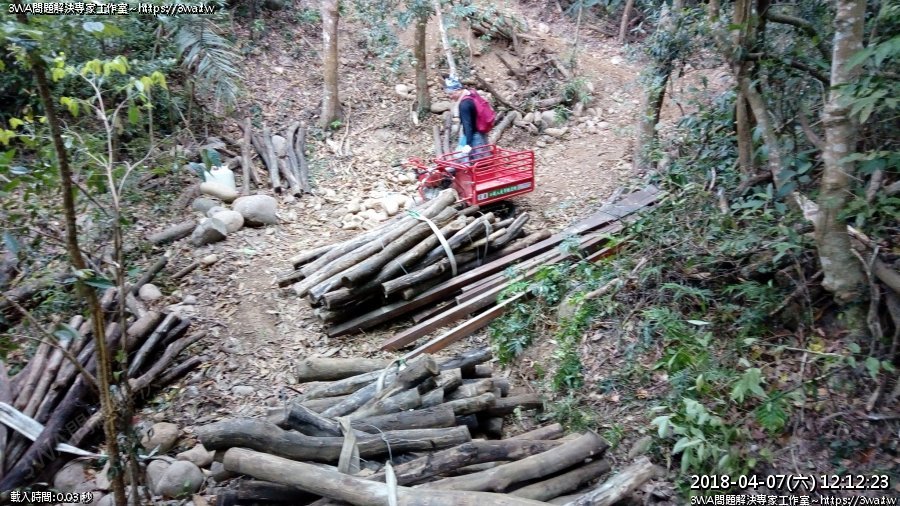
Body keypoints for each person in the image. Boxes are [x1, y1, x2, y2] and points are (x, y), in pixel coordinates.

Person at [444, 76, 487, 156]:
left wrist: (468, 144)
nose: (450, 97)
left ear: (458, 91)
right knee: (459, 157)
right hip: (478, 133)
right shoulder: (470, 95)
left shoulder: (464, 105)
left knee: (479, 160)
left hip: (475, 137)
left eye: (451, 94)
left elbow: (467, 124)